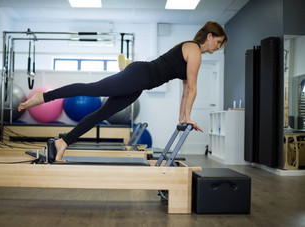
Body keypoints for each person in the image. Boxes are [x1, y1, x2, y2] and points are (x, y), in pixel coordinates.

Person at [18, 20, 228, 162]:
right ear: (209, 36)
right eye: (218, 42)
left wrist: (183, 118)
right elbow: (192, 88)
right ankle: (44, 96)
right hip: (139, 75)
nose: (218, 47)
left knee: (101, 113)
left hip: (139, 84)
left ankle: (64, 142)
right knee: (92, 90)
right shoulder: (194, 50)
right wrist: (188, 117)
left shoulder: (191, 52)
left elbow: (185, 91)